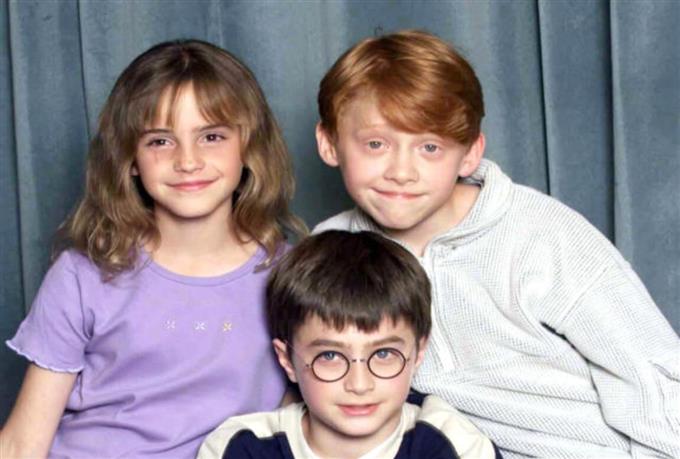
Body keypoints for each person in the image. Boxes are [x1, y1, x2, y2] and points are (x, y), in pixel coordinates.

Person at [312, 29, 680, 458]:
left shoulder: (542, 233)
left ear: (470, 154)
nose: (402, 171)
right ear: (329, 143)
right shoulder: (329, 253)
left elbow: (652, 374)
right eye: (376, 144)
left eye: (429, 147)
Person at [0, 39, 305, 458]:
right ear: (129, 159)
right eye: (160, 141)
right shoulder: (82, 276)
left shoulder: (291, 275)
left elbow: (300, 425)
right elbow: (21, 443)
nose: (188, 161)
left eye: (211, 136)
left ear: (249, 148)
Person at [197, 230, 500, 459]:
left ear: (418, 352)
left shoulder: (454, 445)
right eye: (330, 355)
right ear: (287, 359)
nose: (359, 384)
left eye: (384, 353)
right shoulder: (243, 447)